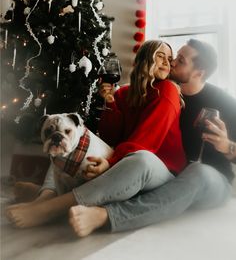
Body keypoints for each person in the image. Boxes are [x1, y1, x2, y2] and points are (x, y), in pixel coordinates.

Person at [6, 40, 187, 228]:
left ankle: (51, 208)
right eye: (160, 56)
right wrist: (110, 102)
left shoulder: (167, 90)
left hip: (161, 170)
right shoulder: (124, 93)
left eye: (169, 58)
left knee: (141, 159)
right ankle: (45, 195)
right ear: (144, 59)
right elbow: (109, 137)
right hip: (125, 161)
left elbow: (146, 141)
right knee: (69, 144)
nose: (167, 63)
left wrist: (111, 162)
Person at [68, 39, 236, 237]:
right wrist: (111, 103)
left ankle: (107, 216)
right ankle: (52, 193)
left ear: (199, 73)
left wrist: (227, 146)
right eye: (172, 58)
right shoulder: (164, 90)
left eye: (180, 61)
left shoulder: (225, 102)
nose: (171, 63)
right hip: (174, 174)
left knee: (198, 172)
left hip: (214, 179)